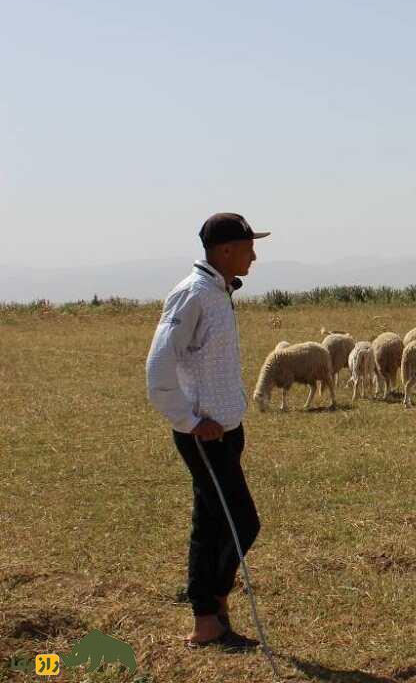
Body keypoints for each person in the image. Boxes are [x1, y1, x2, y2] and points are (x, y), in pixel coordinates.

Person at [145, 213, 269, 650]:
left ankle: (207, 621)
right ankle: (213, 605)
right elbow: (158, 368)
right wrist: (193, 421)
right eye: (249, 246)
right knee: (243, 522)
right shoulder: (191, 295)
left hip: (227, 430)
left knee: (212, 522)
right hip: (205, 434)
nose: (255, 254)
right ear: (226, 250)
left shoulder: (219, 292)